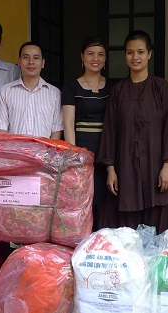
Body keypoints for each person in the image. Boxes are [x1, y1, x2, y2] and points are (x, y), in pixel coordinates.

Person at [97, 30, 168, 234]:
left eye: (141, 52)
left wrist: (167, 166)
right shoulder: (118, 91)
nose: (135, 57)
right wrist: (110, 169)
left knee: (158, 224)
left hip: (155, 167)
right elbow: (110, 130)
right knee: (126, 224)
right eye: (130, 52)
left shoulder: (162, 88)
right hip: (125, 168)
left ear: (149, 54)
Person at [62, 36, 111, 231]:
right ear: (82, 57)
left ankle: (102, 239)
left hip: (106, 147)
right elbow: (68, 122)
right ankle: (81, 240)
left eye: (100, 54)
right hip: (81, 147)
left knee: (104, 199)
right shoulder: (71, 86)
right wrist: (75, 154)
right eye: (90, 53)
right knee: (82, 197)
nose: (95, 58)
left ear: (106, 58)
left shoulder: (113, 87)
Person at [0, 41, 63, 139]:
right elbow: (1, 130)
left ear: (43, 63)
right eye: (26, 57)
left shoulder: (55, 94)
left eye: (36, 58)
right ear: (19, 61)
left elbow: (56, 130)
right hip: (14, 153)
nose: (31, 62)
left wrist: (49, 154)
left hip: (45, 153)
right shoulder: (5, 92)